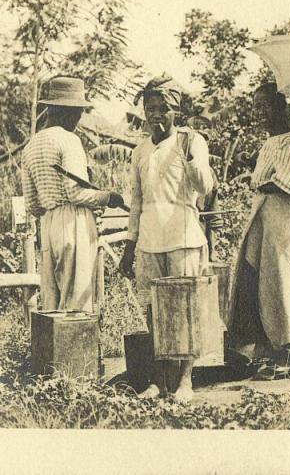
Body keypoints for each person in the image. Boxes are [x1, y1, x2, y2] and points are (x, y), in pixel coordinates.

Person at [119, 74, 216, 402]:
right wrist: (129, 247)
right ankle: (159, 382)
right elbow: (137, 201)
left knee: (185, 309)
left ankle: (185, 381)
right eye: (150, 108)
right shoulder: (140, 151)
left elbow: (205, 186)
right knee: (152, 313)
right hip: (149, 241)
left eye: (163, 108)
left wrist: (189, 153)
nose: (155, 115)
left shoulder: (192, 141)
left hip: (183, 238)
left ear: (177, 112)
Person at [227, 82, 290, 368]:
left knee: (289, 283)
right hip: (265, 221)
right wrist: (261, 183)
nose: (259, 112)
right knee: (263, 283)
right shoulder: (270, 143)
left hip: (284, 223)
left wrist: (263, 183)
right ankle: (272, 349)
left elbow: (288, 183)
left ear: (281, 108)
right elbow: (264, 182)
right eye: (256, 107)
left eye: (266, 106)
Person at [21, 77, 126, 312]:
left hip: (47, 226)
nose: (78, 120)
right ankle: (78, 349)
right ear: (68, 112)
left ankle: (53, 349)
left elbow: (31, 204)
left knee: (52, 302)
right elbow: (76, 193)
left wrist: (52, 209)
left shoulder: (31, 146)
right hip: (73, 224)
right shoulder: (68, 140)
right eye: (78, 113)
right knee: (76, 303)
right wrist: (106, 197)